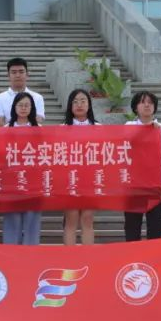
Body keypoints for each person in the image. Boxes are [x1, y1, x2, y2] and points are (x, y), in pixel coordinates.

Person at [123, 90, 161, 241]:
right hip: (133, 187)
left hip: (156, 186)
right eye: (142, 102)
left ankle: (153, 257)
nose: (147, 105)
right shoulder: (129, 126)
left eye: (150, 103)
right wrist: (148, 130)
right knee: (132, 228)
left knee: (155, 228)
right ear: (135, 107)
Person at [1, 92, 43, 245]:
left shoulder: (39, 129)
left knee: (32, 219)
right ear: (14, 107)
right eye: (20, 105)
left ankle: (31, 251)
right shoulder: (6, 129)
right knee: (12, 219)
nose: (24, 108)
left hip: (33, 181)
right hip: (12, 180)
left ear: (32, 108)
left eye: (27, 105)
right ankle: (11, 250)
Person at [63, 88, 98, 246]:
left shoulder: (99, 128)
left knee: (87, 218)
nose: (79, 104)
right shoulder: (62, 129)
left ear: (89, 105)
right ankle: (70, 256)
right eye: (75, 101)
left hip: (91, 179)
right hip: (69, 179)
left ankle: (87, 256)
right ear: (70, 106)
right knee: (71, 219)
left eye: (83, 101)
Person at [0, 57, 46, 126]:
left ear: (27, 74)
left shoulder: (37, 97)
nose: (18, 75)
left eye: (21, 72)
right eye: (14, 72)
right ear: (8, 75)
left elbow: (38, 120)